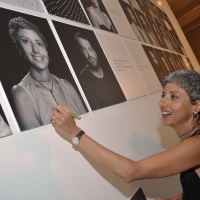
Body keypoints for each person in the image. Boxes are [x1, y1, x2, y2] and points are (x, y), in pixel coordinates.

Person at [51, 69, 200, 200]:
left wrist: (75, 133)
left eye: (173, 97)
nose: (162, 102)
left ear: (197, 106)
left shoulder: (196, 144)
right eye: (163, 95)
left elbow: (131, 172)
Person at [8, 16, 87, 131]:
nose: (35, 49)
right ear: (20, 50)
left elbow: (90, 124)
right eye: (26, 41)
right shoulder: (21, 92)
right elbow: (39, 144)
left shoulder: (66, 85)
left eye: (39, 43)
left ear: (46, 49)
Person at [74, 32, 126, 110]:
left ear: (95, 53)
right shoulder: (83, 77)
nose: (89, 55)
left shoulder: (109, 73)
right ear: (80, 53)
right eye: (84, 50)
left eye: (90, 49)